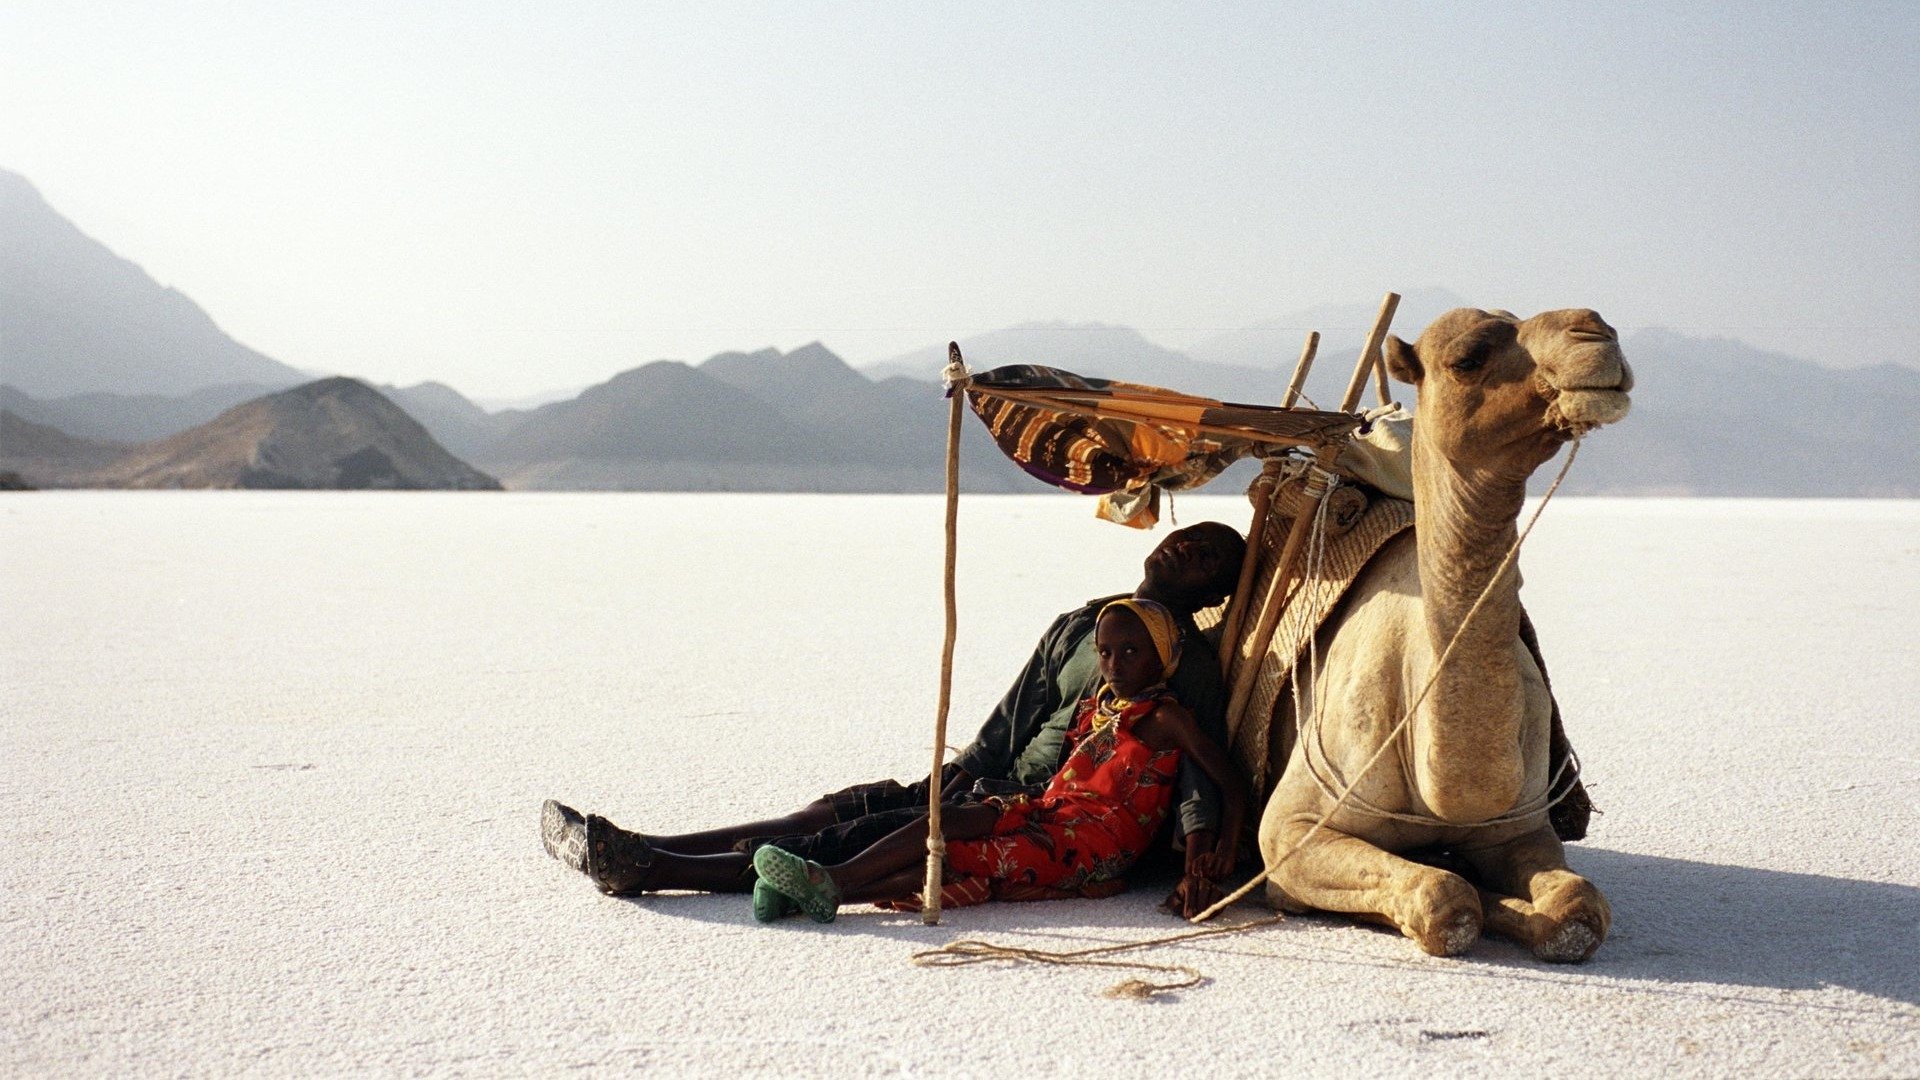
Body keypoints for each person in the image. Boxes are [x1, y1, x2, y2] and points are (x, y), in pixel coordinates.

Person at [542, 520, 1250, 916]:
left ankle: (650, 867)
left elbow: (1192, 768)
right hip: (987, 781)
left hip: (1032, 805)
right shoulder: (1084, 623)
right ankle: (653, 843)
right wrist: (963, 768)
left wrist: (1200, 847)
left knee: (849, 839)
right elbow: (1015, 712)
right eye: (1191, 535)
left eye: (1208, 557)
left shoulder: (1179, 665)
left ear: (1212, 589)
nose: (1186, 547)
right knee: (826, 811)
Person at [751, 598, 1249, 921]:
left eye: (1130, 652)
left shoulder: (1166, 718)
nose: (1113, 665)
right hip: (1056, 813)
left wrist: (1219, 851)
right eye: (1105, 652)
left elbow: (1225, 780)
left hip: (1095, 842)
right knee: (957, 818)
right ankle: (819, 885)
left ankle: (833, 883)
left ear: (1162, 658)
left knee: (967, 860)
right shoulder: (1102, 705)